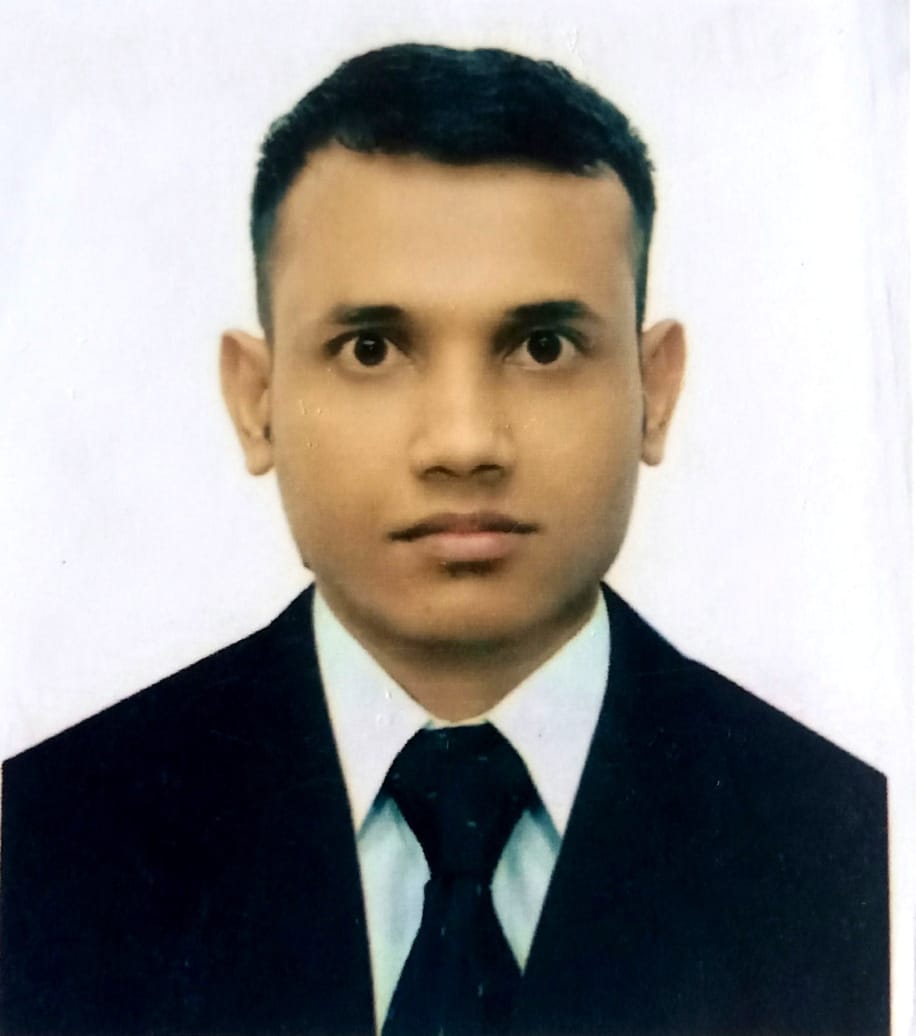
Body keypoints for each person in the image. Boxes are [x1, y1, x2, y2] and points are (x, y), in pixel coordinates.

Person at [0, 43, 888, 1036]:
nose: (464, 443)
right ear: (257, 402)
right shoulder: (44, 842)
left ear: (655, 390)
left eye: (543, 346)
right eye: (371, 348)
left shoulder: (852, 843)